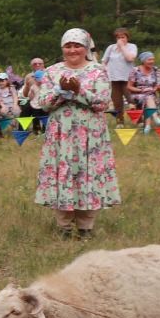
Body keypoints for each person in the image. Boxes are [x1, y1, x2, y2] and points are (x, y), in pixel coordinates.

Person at [31, 29, 120, 239]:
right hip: (61, 135)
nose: (72, 50)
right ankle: (64, 226)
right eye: (68, 46)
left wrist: (79, 91)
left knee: (87, 175)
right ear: (62, 48)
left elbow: (102, 103)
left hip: (90, 136)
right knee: (63, 175)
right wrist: (60, 92)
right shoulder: (52, 72)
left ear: (86, 48)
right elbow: (42, 104)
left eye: (77, 45)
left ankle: (85, 226)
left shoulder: (98, 71)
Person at [100, 28, 139, 116]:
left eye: (123, 37)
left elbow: (130, 58)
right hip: (113, 78)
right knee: (117, 101)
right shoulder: (111, 48)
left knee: (131, 100)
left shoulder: (132, 46)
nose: (121, 39)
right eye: (118, 37)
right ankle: (119, 121)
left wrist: (122, 47)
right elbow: (104, 61)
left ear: (127, 38)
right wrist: (103, 71)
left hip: (127, 78)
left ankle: (138, 119)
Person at [20, 58, 49, 134]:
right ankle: (21, 131)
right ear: (31, 66)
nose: (37, 65)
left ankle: (45, 129)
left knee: (47, 107)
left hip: (47, 99)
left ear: (43, 64)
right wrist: (27, 86)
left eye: (40, 63)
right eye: (35, 64)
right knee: (26, 107)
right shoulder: (29, 76)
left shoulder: (49, 73)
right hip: (33, 99)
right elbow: (25, 95)